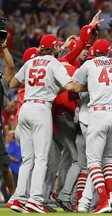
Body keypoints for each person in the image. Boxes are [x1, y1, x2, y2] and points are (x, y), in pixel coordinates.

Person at [9, 34, 86, 213]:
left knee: (27, 159)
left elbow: (13, 83)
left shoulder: (29, 63)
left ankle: (19, 198)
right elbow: (70, 87)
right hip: (41, 109)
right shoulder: (54, 63)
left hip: (26, 109)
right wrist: (90, 86)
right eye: (57, 46)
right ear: (53, 48)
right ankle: (35, 199)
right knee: (41, 158)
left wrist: (45, 88)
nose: (60, 48)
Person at [72, 38, 112, 214]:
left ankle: (104, 200)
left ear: (94, 52)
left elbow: (75, 85)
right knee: (108, 158)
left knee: (93, 161)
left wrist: (91, 85)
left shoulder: (89, 65)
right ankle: (110, 197)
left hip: (98, 113)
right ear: (108, 51)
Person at [0, 34, 15, 206]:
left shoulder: (2, 83)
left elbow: (11, 67)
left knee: (4, 165)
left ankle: (14, 196)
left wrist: (4, 47)